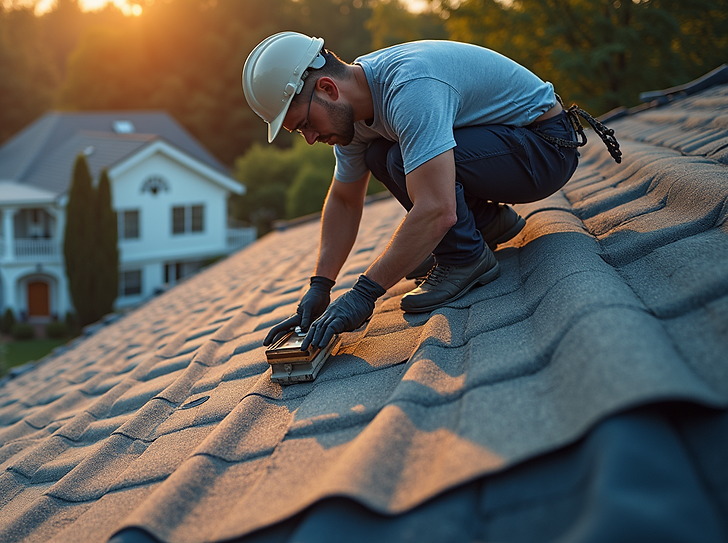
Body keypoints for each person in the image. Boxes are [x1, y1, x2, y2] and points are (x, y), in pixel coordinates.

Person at [242, 32, 621, 350]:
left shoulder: (408, 88)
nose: (309, 139)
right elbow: (344, 199)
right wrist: (320, 286)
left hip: (544, 150)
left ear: (327, 88)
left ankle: (466, 257)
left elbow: (437, 208)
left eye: (306, 123)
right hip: (505, 150)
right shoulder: (353, 113)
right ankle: (486, 224)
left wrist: (365, 293)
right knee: (381, 154)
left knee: (399, 161)